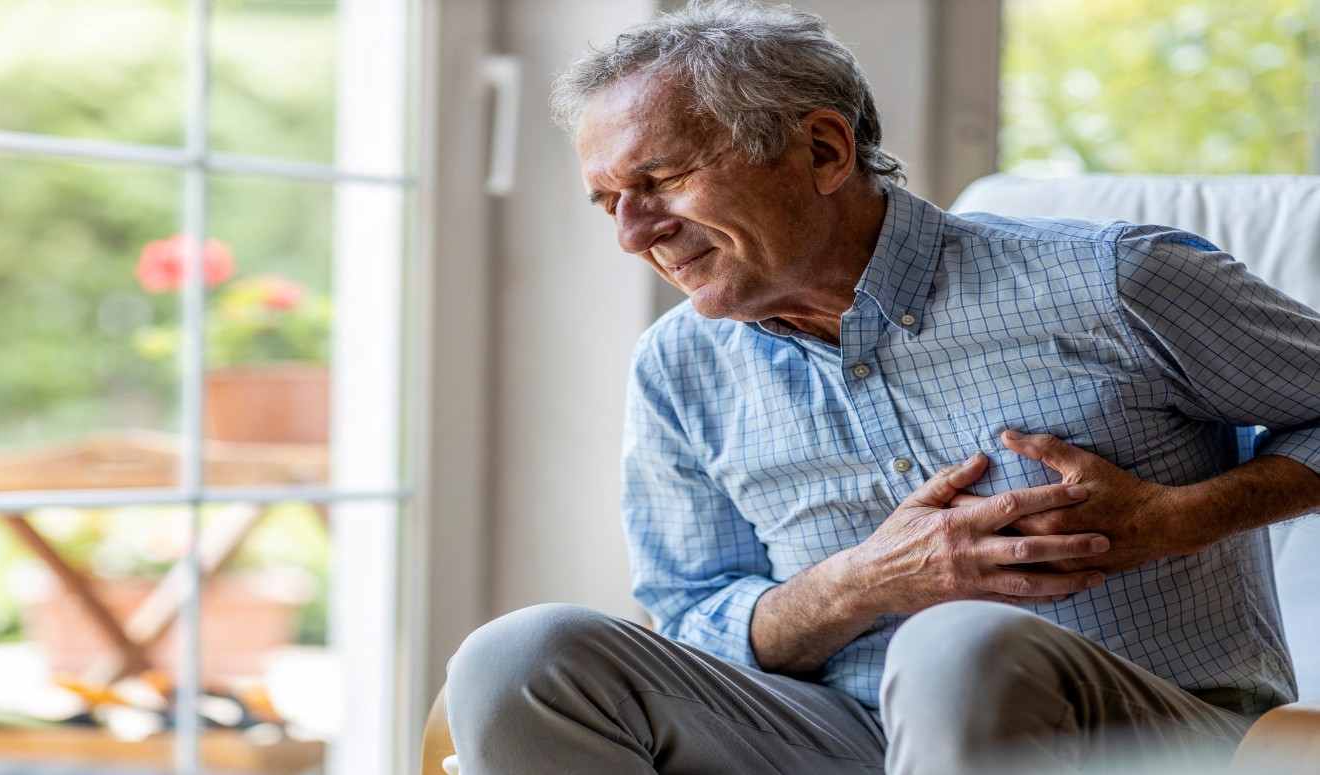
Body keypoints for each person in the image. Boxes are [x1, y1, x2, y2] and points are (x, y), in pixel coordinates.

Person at [444, 2, 1320, 772]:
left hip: (1140, 733)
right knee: (521, 655)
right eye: (608, 201)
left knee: (959, 642)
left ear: (823, 150)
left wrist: (1178, 517)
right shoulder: (679, 366)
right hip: (829, 735)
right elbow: (691, 614)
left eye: (659, 179)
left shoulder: (1112, 282)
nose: (634, 233)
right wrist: (863, 582)